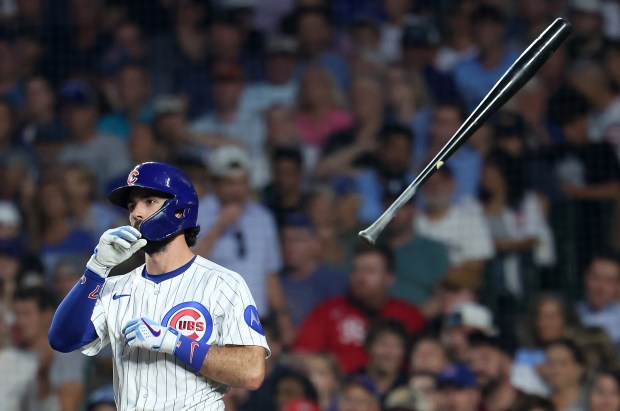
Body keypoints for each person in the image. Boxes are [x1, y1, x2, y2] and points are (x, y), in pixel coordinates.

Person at [48, 162, 270, 410]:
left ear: (180, 211)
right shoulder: (114, 287)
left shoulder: (222, 283)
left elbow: (252, 371)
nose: (136, 214)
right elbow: (62, 340)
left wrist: (177, 343)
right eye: (132, 206)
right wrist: (96, 269)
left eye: (149, 201)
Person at [292, 242, 426, 374]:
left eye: (370, 271)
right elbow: (300, 356)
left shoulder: (408, 315)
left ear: (389, 278)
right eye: (356, 270)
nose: (361, 278)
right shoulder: (327, 311)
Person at [576, 252, 620, 349]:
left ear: (617, 285)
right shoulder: (570, 315)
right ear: (586, 278)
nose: (600, 287)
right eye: (596, 278)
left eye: (609, 281)